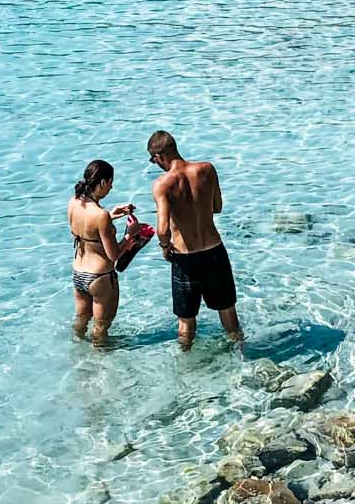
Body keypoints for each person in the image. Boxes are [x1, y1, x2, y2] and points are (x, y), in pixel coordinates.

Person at [148, 130, 240, 349]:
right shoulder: (207, 169)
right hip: (214, 251)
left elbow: (162, 230)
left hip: (185, 258)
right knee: (227, 311)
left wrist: (164, 247)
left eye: (153, 160)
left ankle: (185, 368)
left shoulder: (163, 184)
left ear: (160, 156)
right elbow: (217, 207)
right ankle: (241, 354)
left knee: (186, 321)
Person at [67, 159, 136, 344]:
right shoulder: (100, 215)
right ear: (103, 182)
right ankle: (101, 367)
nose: (111, 188)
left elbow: (87, 230)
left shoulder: (73, 202)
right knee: (101, 329)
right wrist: (130, 235)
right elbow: (114, 254)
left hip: (78, 273)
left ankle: (76, 358)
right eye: (110, 183)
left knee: (81, 323)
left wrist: (111, 215)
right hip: (100, 277)